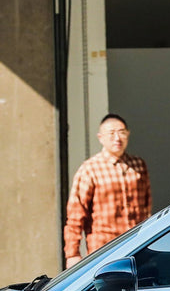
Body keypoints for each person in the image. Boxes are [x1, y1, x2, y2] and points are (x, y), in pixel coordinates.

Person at [63, 113, 152, 267]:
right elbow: (75, 215)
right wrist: (73, 254)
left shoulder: (138, 165)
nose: (117, 138)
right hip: (103, 250)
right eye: (111, 133)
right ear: (100, 137)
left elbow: (147, 208)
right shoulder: (90, 169)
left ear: (128, 134)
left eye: (122, 132)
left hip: (137, 247)